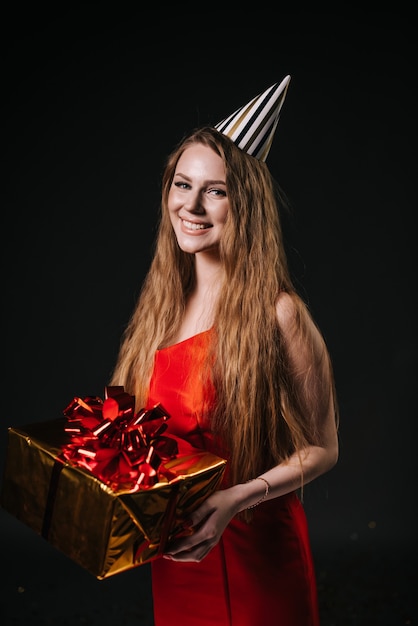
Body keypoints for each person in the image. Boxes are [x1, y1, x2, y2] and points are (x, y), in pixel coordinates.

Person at [110, 75, 339, 626]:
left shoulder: (279, 313)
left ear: (245, 202)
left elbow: (323, 449)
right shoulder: (160, 310)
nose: (191, 205)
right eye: (181, 184)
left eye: (215, 190)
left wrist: (237, 498)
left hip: (257, 554)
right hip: (178, 556)